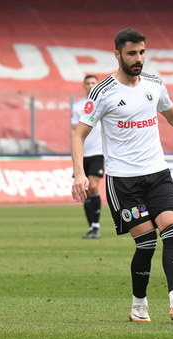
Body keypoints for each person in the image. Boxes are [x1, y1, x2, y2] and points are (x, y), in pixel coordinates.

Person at [71, 28, 173, 323]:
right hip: (123, 182)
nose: (138, 58)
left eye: (142, 52)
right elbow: (78, 134)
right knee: (146, 242)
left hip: (157, 173)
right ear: (117, 54)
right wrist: (79, 174)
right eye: (132, 53)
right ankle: (139, 303)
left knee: (172, 228)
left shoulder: (154, 84)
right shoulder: (102, 92)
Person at [71, 75, 104, 239]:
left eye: (93, 83)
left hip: (98, 151)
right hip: (83, 153)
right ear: (83, 86)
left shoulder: (104, 102)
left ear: (97, 85)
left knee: (93, 186)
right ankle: (92, 226)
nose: (91, 86)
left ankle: (96, 226)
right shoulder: (77, 106)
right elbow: (74, 130)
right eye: (88, 83)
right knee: (85, 191)